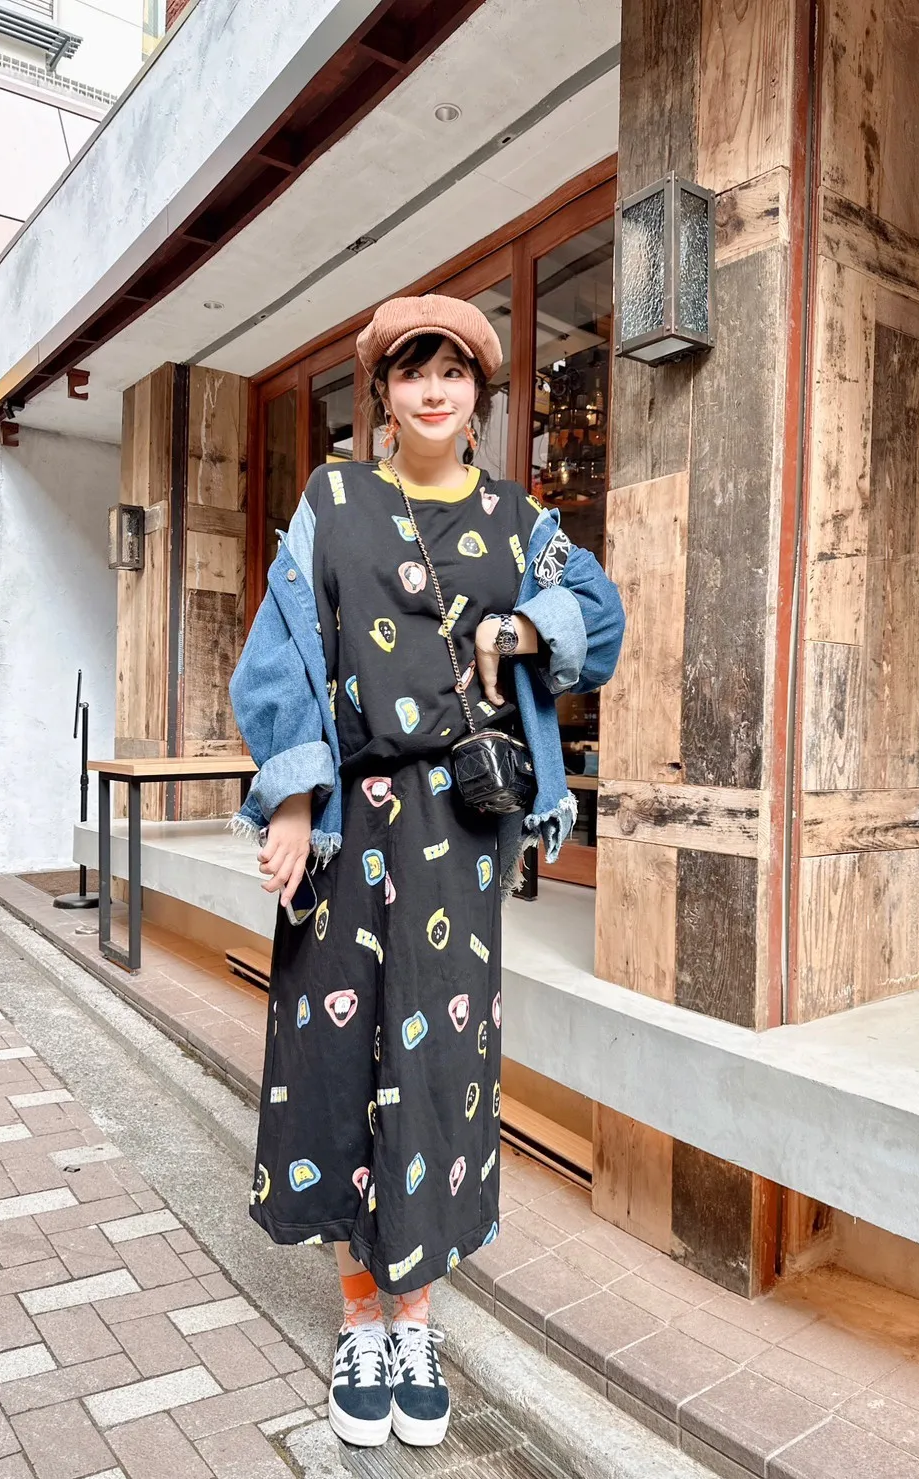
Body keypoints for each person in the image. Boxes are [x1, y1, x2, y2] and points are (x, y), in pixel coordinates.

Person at [230, 294, 624, 1449]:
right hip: (349, 825)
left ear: (479, 397)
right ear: (384, 394)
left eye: (453, 371)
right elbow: (282, 649)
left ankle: (417, 1321)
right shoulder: (332, 502)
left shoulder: (518, 521)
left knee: (441, 1070)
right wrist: (291, 801)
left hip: (456, 832)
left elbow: (596, 613)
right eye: (412, 371)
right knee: (336, 1061)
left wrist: (518, 632)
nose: (433, 390)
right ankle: (360, 1318)